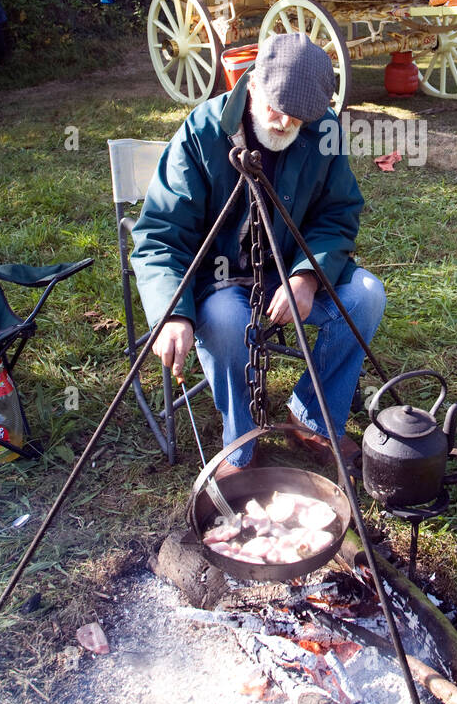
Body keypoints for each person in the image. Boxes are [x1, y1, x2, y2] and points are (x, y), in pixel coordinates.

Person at [131, 32, 386, 473]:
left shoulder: (323, 128)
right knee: (229, 324)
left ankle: (312, 418)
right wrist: (172, 313)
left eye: (298, 117)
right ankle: (242, 446)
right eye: (275, 108)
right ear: (251, 85)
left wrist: (307, 276)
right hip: (221, 278)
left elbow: (338, 214)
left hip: (289, 266)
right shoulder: (203, 131)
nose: (285, 123)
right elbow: (161, 234)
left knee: (366, 294)